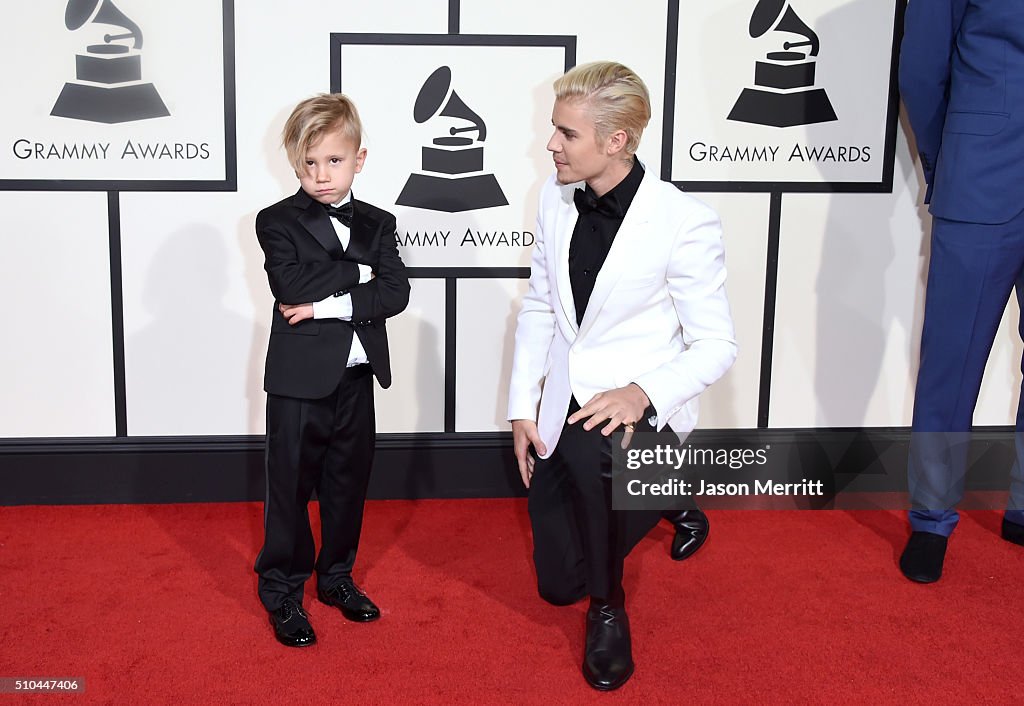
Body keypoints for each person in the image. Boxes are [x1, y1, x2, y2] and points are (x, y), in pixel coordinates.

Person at [508, 61, 737, 690]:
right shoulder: (553, 199)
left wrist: (641, 393)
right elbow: (539, 305)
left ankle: (609, 611)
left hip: (635, 409)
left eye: (565, 134)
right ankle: (673, 498)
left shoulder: (683, 221)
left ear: (616, 142)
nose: (549, 144)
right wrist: (522, 406)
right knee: (557, 585)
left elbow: (716, 344)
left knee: (603, 460)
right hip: (565, 400)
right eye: (553, 129)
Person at [253, 93, 410, 645]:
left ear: (359, 159)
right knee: (290, 487)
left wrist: (327, 305)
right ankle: (281, 589)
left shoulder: (378, 221)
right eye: (309, 163)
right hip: (299, 382)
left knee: (348, 484)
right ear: (295, 164)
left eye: (334, 161)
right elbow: (289, 285)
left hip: (356, 376)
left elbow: (394, 293)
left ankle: (336, 577)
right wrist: (359, 273)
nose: (321, 175)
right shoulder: (275, 221)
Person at [899, 0, 1024, 584]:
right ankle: (930, 518)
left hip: (980, 168)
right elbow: (922, 68)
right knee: (953, 358)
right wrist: (948, 158)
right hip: (983, 177)